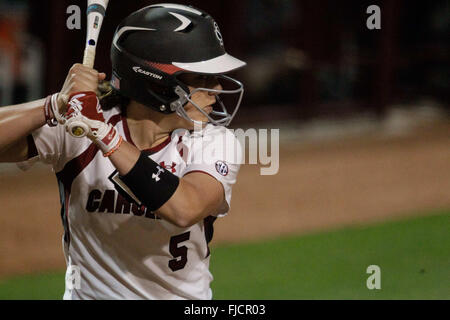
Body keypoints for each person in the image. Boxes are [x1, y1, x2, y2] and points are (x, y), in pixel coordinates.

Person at [0, 3, 246, 300]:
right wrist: (53, 104)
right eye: (202, 78)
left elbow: (185, 208)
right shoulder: (82, 126)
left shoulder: (214, 141)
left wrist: (105, 136)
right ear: (159, 83)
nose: (217, 88)